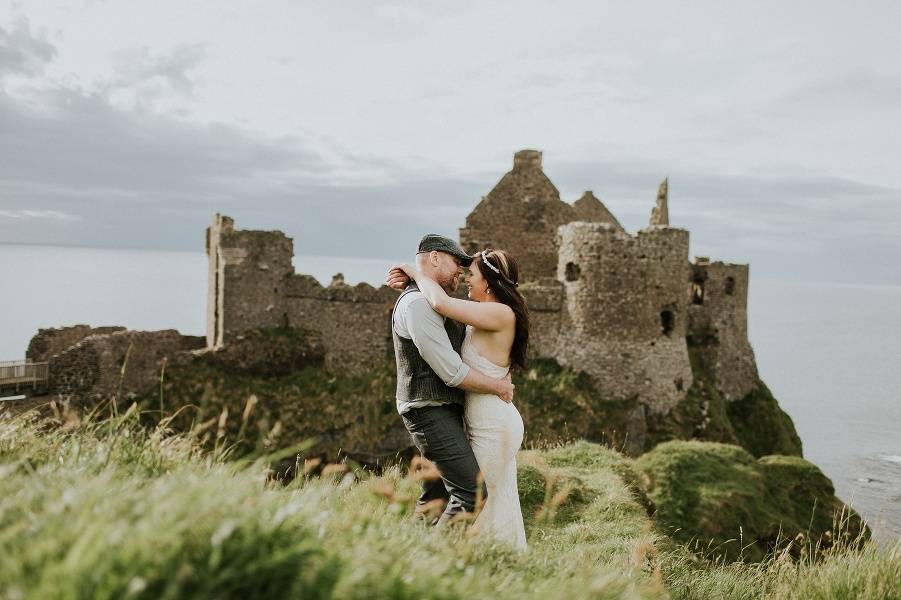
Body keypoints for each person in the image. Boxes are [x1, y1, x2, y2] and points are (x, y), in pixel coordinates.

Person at [388, 247, 529, 551]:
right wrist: (414, 288)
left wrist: (417, 274)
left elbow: (440, 302)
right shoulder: (484, 313)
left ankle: (437, 558)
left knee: (474, 496)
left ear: (489, 283)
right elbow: (440, 310)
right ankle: (463, 560)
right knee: (478, 496)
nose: (466, 279)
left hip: (493, 423)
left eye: (472, 274)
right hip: (481, 417)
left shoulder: (500, 312)